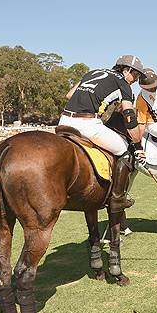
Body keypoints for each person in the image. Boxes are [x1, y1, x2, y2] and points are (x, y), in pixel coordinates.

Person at [60, 55, 147, 213]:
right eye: (136, 74)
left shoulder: (93, 72)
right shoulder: (123, 84)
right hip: (87, 124)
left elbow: (69, 95)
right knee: (126, 152)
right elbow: (129, 116)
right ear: (126, 70)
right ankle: (117, 199)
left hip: (64, 121)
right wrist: (138, 145)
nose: (136, 79)